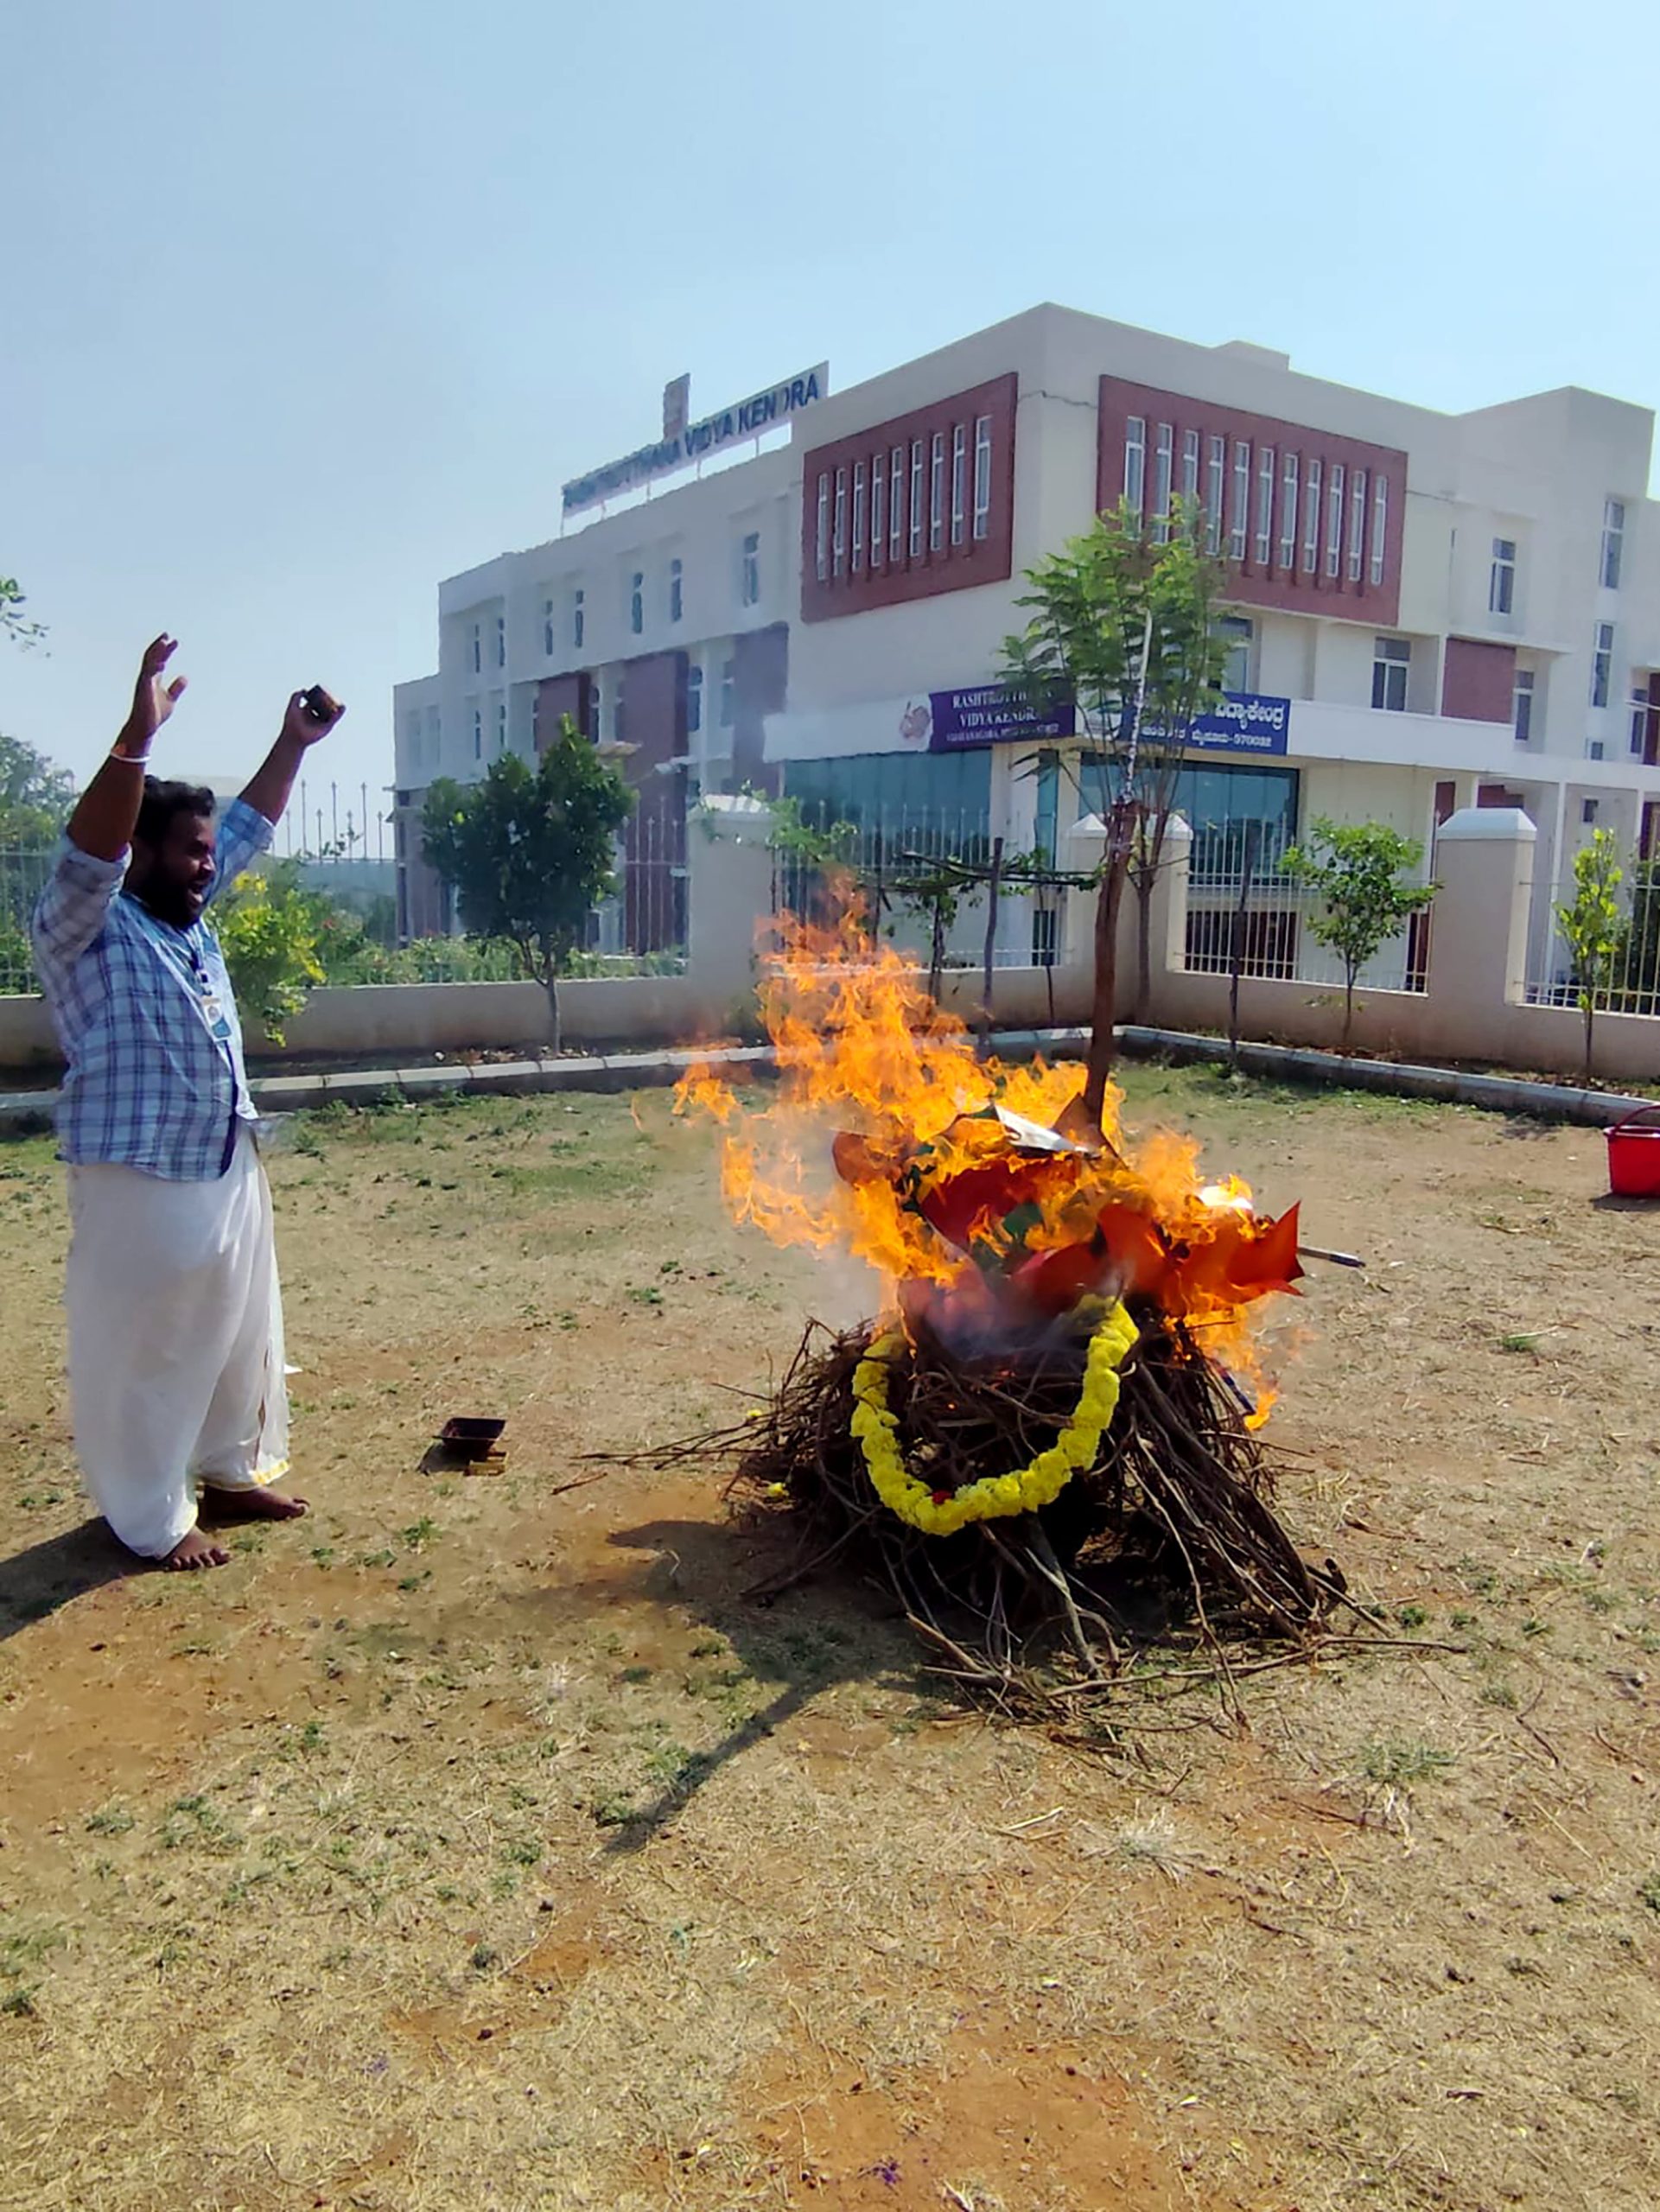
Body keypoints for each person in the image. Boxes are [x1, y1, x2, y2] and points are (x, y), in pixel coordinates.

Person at [31, 634, 345, 1571]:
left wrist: (292, 742)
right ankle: (151, 1515)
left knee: (237, 1328)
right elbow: (90, 855)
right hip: (136, 1175)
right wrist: (136, 741)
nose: (208, 867)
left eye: (209, 856)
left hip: (222, 1159)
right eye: (190, 854)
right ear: (144, 856)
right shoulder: (85, 926)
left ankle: (229, 1471)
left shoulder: (189, 921)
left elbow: (248, 824)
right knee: (149, 1350)